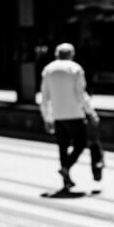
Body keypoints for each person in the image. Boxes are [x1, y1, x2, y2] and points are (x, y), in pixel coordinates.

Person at [40, 42, 100, 190]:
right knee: (80, 144)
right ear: (71, 54)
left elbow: (44, 96)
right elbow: (81, 94)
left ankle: (66, 179)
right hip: (75, 114)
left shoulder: (48, 70)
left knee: (62, 146)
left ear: (56, 55)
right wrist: (90, 111)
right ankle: (66, 167)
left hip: (58, 115)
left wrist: (46, 117)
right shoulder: (75, 69)